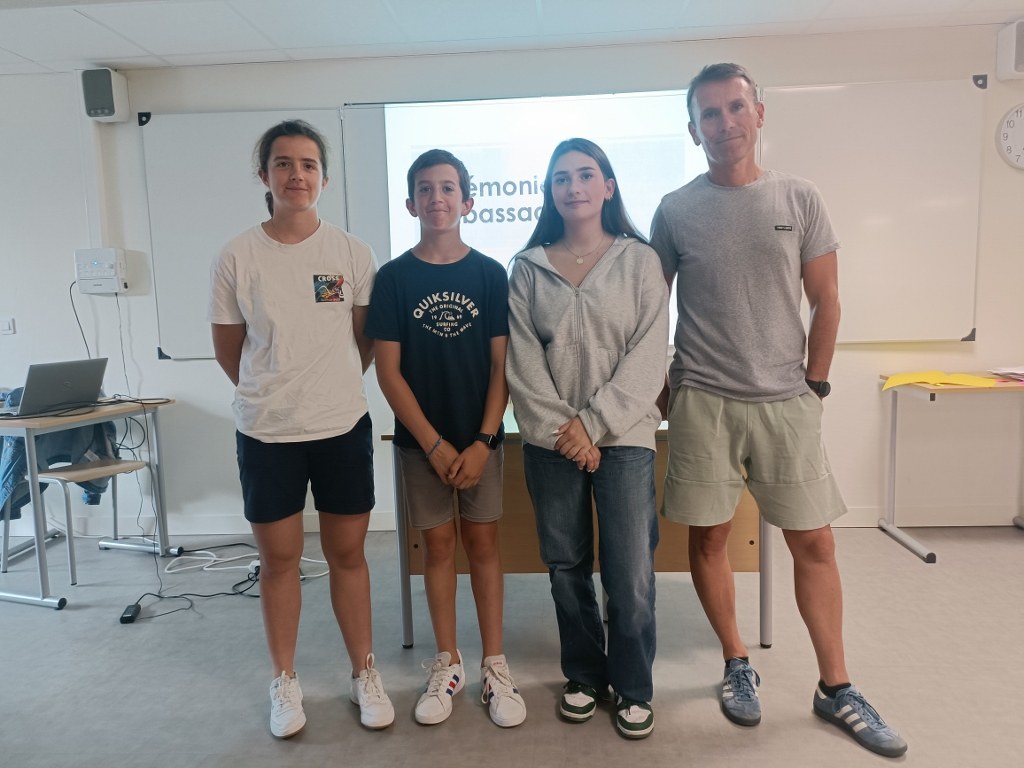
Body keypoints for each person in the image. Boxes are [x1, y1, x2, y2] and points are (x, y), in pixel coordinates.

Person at [650, 63, 907, 758]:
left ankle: (836, 686)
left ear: (758, 114)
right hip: (704, 400)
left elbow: (827, 300)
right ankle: (736, 662)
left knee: (815, 543)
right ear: (693, 129)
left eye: (736, 107)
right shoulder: (675, 210)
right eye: (709, 113)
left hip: (785, 400)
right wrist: (667, 393)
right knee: (709, 541)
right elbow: (651, 311)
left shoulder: (799, 196)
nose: (724, 123)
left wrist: (814, 387)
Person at [208, 119, 394, 738]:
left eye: (308, 164)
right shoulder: (238, 255)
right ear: (264, 175)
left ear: (324, 178)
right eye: (283, 164)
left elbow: (364, 342)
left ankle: (364, 672)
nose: (297, 175)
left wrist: (325, 387)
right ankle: (284, 681)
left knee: (348, 555)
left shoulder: (352, 253)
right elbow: (230, 350)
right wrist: (277, 393)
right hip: (266, 433)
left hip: (341, 426)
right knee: (279, 560)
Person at [506, 138, 668, 740]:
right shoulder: (527, 268)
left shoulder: (640, 261)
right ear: (550, 192)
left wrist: (593, 425)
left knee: (629, 571)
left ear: (608, 187)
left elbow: (649, 357)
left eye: (585, 174)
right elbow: (523, 363)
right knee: (566, 566)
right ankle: (583, 676)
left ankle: (632, 685)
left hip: (623, 437)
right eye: (561, 178)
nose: (573, 186)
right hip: (552, 443)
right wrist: (566, 431)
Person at [365, 149, 526, 729]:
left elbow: (502, 366)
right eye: (426, 189)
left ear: (468, 201)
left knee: (483, 545)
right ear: (411, 203)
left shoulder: (490, 274)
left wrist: (483, 439)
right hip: (420, 447)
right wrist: (433, 445)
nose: (437, 198)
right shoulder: (393, 279)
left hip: (481, 442)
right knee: (436, 548)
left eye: (448, 188)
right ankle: (448, 662)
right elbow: (389, 373)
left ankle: (495, 664)